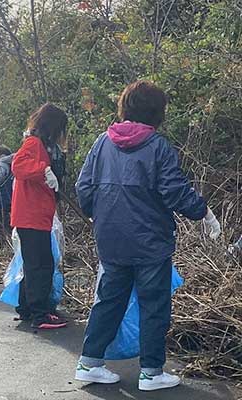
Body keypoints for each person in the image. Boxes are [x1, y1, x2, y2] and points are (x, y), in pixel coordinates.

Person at [74, 81, 221, 391]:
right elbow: (174, 191)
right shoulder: (158, 147)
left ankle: (89, 363)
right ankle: (151, 372)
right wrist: (203, 212)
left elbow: (83, 187)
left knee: (108, 301)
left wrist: (98, 215)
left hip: (110, 239)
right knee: (153, 305)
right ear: (157, 112)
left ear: (124, 108)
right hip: (150, 242)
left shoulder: (102, 143)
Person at [11, 103, 68, 330]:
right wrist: (43, 171)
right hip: (31, 215)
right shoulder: (33, 143)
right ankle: (40, 314)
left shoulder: (43, 145)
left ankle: (26, 308)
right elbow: (18, 165)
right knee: (41, 265)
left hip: (35, 215)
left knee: (35, 263)